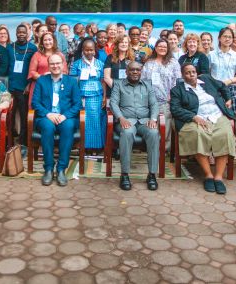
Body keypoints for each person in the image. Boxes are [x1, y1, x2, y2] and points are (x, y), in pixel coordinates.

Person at [170, 63, 236, 195]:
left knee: (224, 134)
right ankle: (208, 175)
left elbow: (223, 86)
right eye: (187, 72)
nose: (191, 74)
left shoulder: (206, 79)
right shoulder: (177, 90)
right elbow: (175, 109)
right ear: (183, 75)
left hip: (217, 115)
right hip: (195, 118)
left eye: (193, 71)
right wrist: (193, 117)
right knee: (198, 134)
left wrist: (228, 99)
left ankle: (218, 177)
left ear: (196, 72)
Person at [32, 54, 81, 187]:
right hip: (46, 116)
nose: (55, 66)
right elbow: (35, 103)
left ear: (63, 64)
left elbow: (77, 104)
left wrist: (65, 115)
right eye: (52, 64)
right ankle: (48, 168)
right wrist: (48, 114)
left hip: (65, 116)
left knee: (68, 127)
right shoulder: (42, 81)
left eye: (58, 63)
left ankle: (61, 169)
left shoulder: (71, 81)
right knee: (47, 128)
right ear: (49, 66)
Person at [110, 61, 160, 191]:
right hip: (126, 120)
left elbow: (154, 104)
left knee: (154, 133)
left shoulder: (147, 85)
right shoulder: (118, 85)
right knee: (127, 133)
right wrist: (121, 118)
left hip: (144, 121)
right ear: (126, 71)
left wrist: (153, 119)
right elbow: (113, 104)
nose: (135, 72)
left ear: (141, 71)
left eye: (138, 70)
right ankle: (125, 175)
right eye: (132, 70)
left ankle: (152, 175)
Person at [141, 39, 182, 154]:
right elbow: (143, 80)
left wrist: (171, 95)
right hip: (151, 99)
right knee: (152, 124)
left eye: (165, 46)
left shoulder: (173, 62)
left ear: (168, 48)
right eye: (160, 46)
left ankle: (164, 149)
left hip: (166, 99)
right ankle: (152, 148)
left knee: (166, 124)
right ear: (156, 48)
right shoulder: (149, 62)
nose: (162, 48)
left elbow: (177, 80)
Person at [70, 38, 106, 152]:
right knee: (83, 121)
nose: (89, 52)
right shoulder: (76, 64)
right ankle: (83, 146)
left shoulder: (100, 64)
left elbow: (103, 81)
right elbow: (73, 82)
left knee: (96, 120)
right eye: (86, 50)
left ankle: (97, 147)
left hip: (97, 96)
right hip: (82, 97)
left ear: (95, 51)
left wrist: (104, 97)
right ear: (82, 50)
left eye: (91, 50)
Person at [6, 24, 38, 148]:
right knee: (9, 115)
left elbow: (34, 68)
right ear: (16, 33)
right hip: (10, 86)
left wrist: (29, 83)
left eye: (23, 32)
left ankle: (23, 142)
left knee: (24, 115)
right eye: (19, 32)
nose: (21, 34)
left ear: (27, 33)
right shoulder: (9, 48)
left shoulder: (32, 48)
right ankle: (8, 142)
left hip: (24, 87)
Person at [209, 27, 236, 119]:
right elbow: (206, 73)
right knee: (215, 116)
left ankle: (234, 133)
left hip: (230, 88)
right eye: (225, 36)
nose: (227, 39)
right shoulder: (211, 54)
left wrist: (230, 80)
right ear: (219, 38)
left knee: (232, 117)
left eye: (230, 37)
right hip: (215, 89)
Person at [28, 32, 68, 105]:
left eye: (50, 39)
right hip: (39, 86)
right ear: (42, 42)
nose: (47, 42)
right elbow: (32, 72)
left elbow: (65, 72)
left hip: (57, 86)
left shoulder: (60, 55)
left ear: (54, 41)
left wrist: (53, 76)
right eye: (45, 40)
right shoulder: (37, 55)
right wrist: (44, 78)